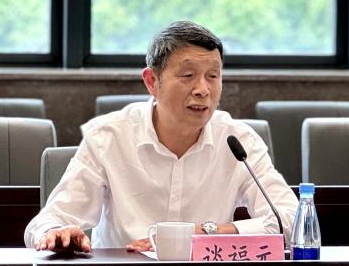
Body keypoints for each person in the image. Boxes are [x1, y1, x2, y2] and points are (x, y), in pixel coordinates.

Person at [25, 21, 298, 252]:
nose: (203, 89)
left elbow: (292, 220)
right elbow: (46, 222)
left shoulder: (238, 141)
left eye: (213, 76)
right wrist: (56, 233)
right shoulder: (108, 138)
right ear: (152, 82)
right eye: (188, 75)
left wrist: (206, 233)